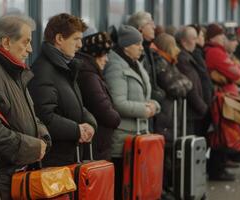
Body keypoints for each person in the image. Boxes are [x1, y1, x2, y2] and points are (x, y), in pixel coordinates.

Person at [0, 14, 51, 200]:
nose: (29, 49)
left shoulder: (12, 71)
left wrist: (43, 138)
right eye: (26, 41)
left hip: (16, 175)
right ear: (5, 42)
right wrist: (32, 148)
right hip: (2, 180)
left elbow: (30, 114)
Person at [28, 13, 97, 167]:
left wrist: (90, 123)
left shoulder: (64, 67)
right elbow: (44, 117)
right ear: (59, 39)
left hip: (67, 156)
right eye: (76, 39)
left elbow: (75, 105)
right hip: (54, 162)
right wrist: (76, 130)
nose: (80, 45)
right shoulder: (43, 72)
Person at [103, 25, 161, 199]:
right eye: (137, 44)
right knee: (123, 185)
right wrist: (145, 110)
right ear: (126, 45)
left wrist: (154, 106)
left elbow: (144, 95)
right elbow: (117, 103)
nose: (141, 47)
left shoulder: (136, 63)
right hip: (123, 139)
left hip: (138, 135)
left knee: (136, 184)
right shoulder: (115, 66)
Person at [151, 33, 192, 198]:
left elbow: (187, 82)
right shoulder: (161, 63)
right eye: (174, 45)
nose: (177, 49)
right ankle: (162, 189)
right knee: (164, 157)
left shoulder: (170, 62)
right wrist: (183, 85)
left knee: (170, 156)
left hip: (172, 117)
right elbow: (176, 87)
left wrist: (183, 84)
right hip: (166, 119)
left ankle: (167, 187)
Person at [204, 23, 240, 181]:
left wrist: (225, 75)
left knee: (222, 134)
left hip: (225, 99)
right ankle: (216, 170)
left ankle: (219, 167)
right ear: (214, 37)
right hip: (222, 101)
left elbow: (239, 75)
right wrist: (228, 75)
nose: (224, 38)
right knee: (221, 134)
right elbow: (237, 74)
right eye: (221, 36)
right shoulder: (215, 52)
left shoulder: (217, 51)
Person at [76, 32, 121, 160]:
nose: (107, 59)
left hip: (96, 144)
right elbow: (104, 111)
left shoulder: (89, 74)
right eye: (104, 54)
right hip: (96, 146)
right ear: (95, 54)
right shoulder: (89, 77)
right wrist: (117, 117)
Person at [128, 11, 165, 103]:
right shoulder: (134, 51)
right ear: (140, 28)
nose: (154, 27)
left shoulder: (148, 48)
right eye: (151, 23)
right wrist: (158, 95)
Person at [176, 26, 208, 134]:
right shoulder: (182, 58)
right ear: (184, 42)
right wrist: (202, 108)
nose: (196, 42)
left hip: (193, 110)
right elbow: (190, 87)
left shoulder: (188, 56)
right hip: (189, 111)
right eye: (193, 39)